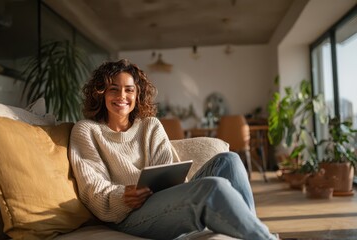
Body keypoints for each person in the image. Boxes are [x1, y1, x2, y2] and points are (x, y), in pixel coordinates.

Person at [69, 59, 278, 240]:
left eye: (129, 89)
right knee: (212, 187)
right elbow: (92, 189)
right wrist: (122, 196)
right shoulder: (86, 130)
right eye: (113, 89)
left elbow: (169, 174)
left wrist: (181, 192)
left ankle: (250, 232)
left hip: (160, 202)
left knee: (229, 160)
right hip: (125, 215)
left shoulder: (150, 125)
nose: (121, 96)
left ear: (137, 94)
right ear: (101, 93)